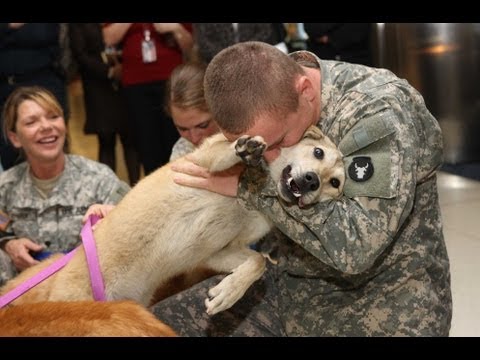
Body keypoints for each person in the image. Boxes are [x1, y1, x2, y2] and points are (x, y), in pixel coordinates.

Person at [150, 41, 452, 336]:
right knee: (145, 326)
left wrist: (249, 187)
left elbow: (357, 248)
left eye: (278, 142)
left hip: (385, 306)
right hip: (288, 288)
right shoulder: (264, 97)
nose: (271, 156)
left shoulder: (378, 112)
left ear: (305, 91)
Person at [0, 86, 130, 286]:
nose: (46, 126)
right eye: (31, 122)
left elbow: (135, 226)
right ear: (15, 137)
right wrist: (9, 244)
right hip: (27, 303)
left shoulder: (99, 179)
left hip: (91, 297)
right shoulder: (5, 187)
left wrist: (112, 220)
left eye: (53, 117)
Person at [103, 23, 193, 175]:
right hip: (135, 83)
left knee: (176, 138)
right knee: (146, 142)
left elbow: (189, 46)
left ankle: (180, 181)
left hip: (171, 80)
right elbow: (108, 38)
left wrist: (175, 28)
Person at [69, 23, 140, 186]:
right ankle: (107, 189)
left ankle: (136, 187)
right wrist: (108, 72)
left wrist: (125, 67)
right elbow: (79, 54)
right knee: (106, 140)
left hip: (127, 82)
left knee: (131, 140)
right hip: (97, 87)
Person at [166, 62, 219, 161]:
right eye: (183, 129)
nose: (194, 139)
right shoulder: (182, 153)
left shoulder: (249, 139)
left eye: (202, 126)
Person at [303, 23, 373, 66]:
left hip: (356, 61)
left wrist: (329, 38)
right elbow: (311, 28)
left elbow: (357, 31)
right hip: (321, 62)